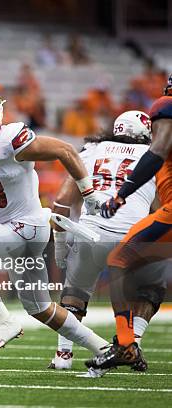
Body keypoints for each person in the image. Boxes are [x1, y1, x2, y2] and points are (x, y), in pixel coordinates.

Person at [0, 84, 109, 360]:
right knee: (40, 308)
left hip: (28, 225)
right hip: (16, 231)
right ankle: (105, 348)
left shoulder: (10, 139)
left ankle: (3, 321)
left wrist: (88, 192)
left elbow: (65, 150)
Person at [50, 111, 167, 374]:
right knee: (151, 289)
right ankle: (131, 345)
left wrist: (59, 245)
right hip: (131, 238)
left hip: (90, 234)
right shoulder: (153, 155)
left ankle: (63, 354)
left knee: (74, 294)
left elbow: (61, 202)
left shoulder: (91, 149)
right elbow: (160, 208)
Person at [87, 75, 172, 372]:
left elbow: (157, 151)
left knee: (118, 261)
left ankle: (125, 345)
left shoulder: (166, 106)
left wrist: (122, 194)